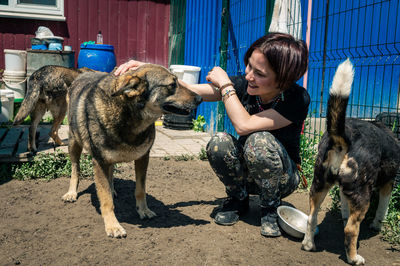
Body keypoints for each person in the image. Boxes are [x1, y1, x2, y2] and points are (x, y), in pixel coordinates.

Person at [114, 32, 310, 237]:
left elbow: (244, 125)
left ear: (283, 80)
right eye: (249, 65)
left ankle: (270, 207)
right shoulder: (245, 84)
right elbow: (190, 88)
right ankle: (238, 198)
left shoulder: (297, 99)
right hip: (248, 172)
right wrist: (146, 70)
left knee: (258, 140)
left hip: (283, 178)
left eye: (259, 73)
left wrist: (225, 85)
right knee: (219, 142)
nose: (248, 75)